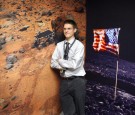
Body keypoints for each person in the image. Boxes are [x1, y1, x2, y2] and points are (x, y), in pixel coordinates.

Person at [51, 19, 86, 115]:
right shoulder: (59, 45)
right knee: (68, 111)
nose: (66, 31)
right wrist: (62, 67)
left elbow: (75, 64)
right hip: (64, 82)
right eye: (65, 29)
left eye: (69, 29)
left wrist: (60, 61)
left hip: (77, 81)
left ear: (74, 30)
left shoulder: (79, 46)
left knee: (80, 111)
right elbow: (53, 63)